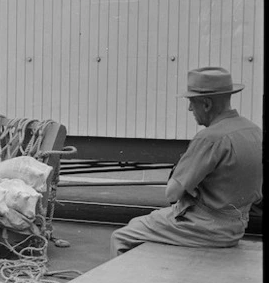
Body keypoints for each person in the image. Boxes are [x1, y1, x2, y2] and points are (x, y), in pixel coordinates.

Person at [110, 67, 262, 256]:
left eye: (192, 102)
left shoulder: (209, 138)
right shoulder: (254, 131)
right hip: (235, 228)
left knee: (122, 236)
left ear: (206, 104)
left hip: (203, 228)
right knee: (140, 224)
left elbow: (172, 193)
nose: (190, 108)